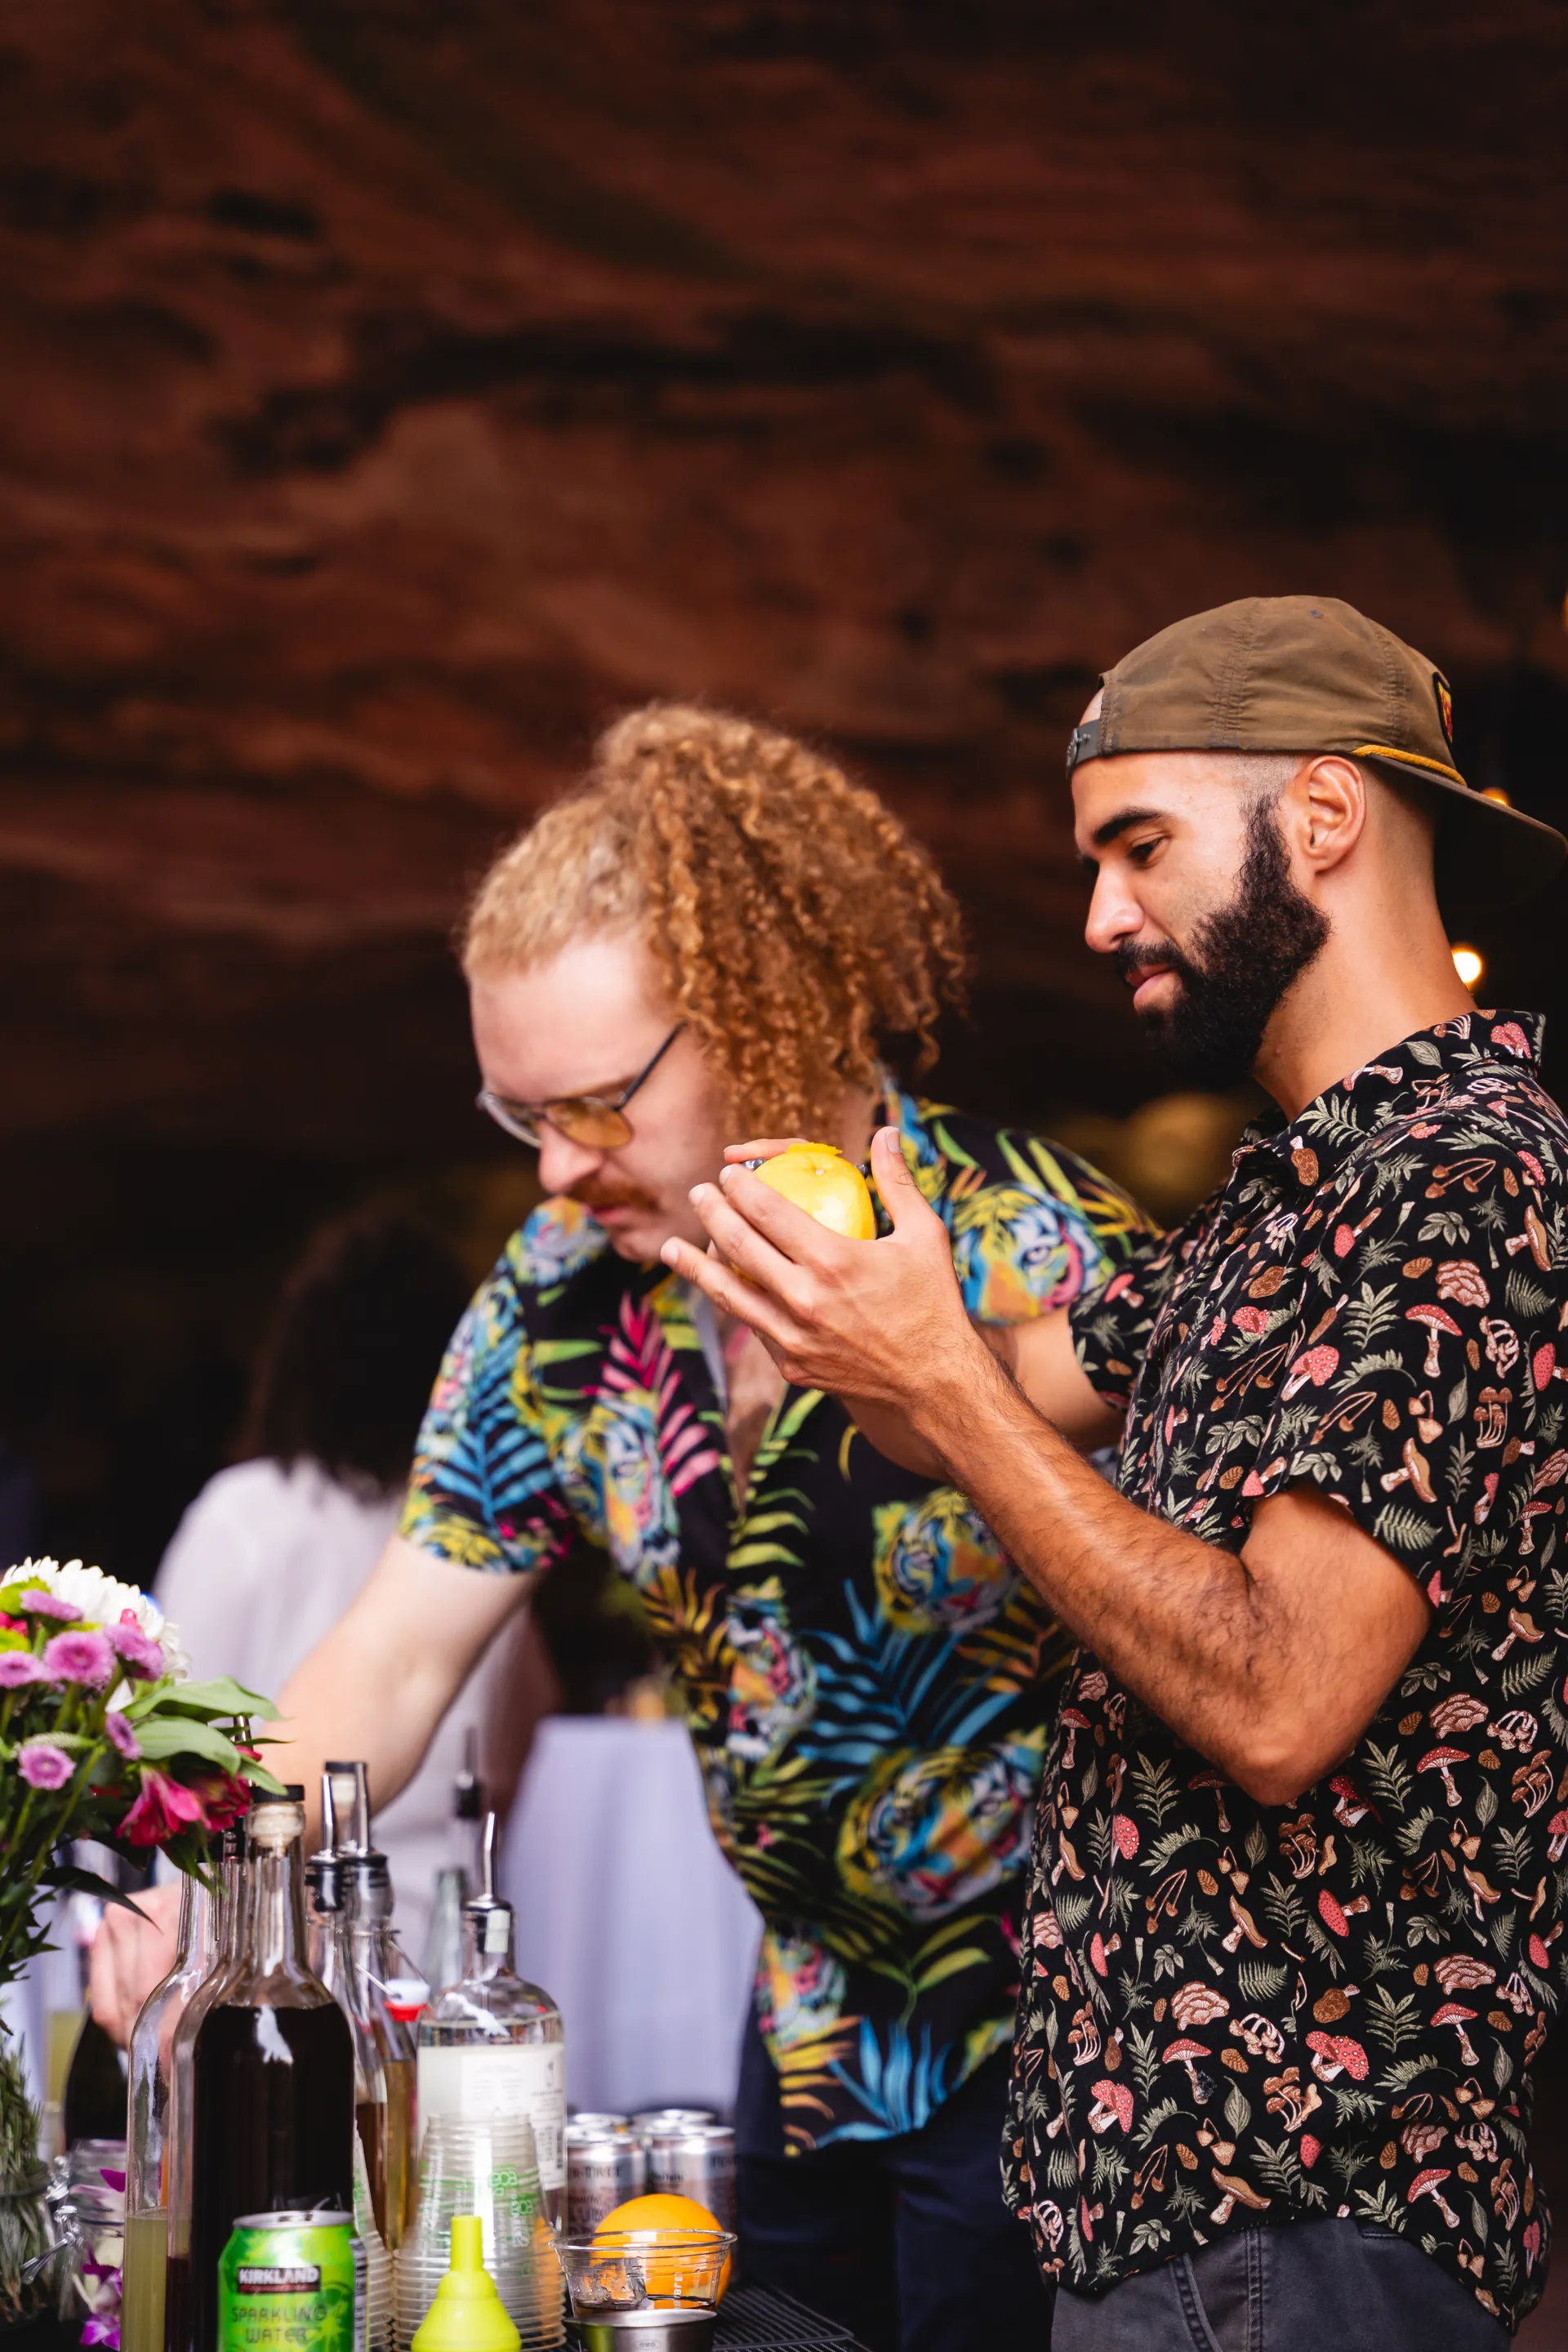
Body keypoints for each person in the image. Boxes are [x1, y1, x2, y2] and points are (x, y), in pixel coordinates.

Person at [104, 705, 1150, 2352]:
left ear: (766, 1010)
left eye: (594, 1106)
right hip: (802, 2025)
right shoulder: (554, 1307)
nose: (554, 1178)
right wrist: (207, 1871)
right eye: (523, 1119)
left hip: (1074, 2037)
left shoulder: (1039, 1247)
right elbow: (390, 1654)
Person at [662, 599, 1568, 2349]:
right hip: (1176, 2238)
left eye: (1138, 846)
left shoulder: (1462, 1183)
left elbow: (1284, 1697)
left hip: (1304, 2230)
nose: (1097, 916)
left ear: (1321, 816)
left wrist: (938, 1376)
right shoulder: (1278, 1206)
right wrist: (823, 1297)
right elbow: (991, 1394)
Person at [153, 1213, 514, 1955]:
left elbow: (173, 1746)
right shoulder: (477, 1531)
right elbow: (507, 1755)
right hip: (442, 1930)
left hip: (267, 1936)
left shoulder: (244, 1514)